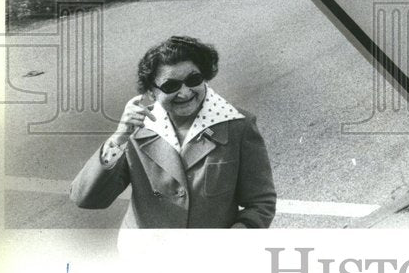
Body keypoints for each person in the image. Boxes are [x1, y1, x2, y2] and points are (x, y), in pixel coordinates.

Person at [71, 36, 276, 229]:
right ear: (151, 92)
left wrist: (242, 231)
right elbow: (86, 198)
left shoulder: (238, 125)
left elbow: (260, 202)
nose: (185, 92)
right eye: (171, 86)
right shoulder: (136, 129)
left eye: (194, 79)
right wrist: (119, 138)